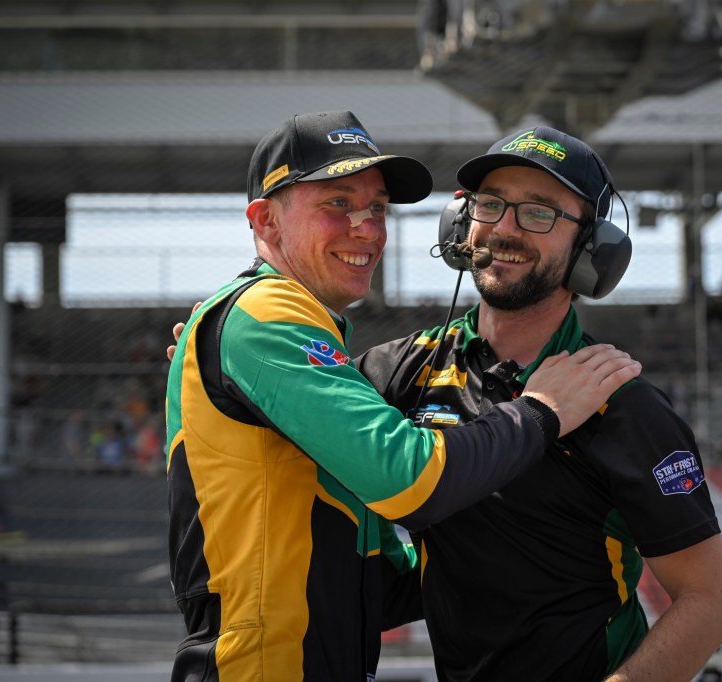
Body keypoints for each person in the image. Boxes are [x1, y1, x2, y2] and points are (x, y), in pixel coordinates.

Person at [164, 111, 641, 681]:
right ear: (266, 221)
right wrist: (540, 411)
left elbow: (378, 585)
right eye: (338, 203)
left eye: (377, 208)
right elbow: (406, 478)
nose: (367, 228)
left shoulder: (285, 332)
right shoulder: (266, 312)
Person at [356, 126, 722, 681]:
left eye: (539, 212)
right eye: (491, 204)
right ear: (461, 221)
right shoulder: (399, 372)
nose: (505, 228)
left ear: (591, 249)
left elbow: (708, 602)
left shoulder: (625, 407)